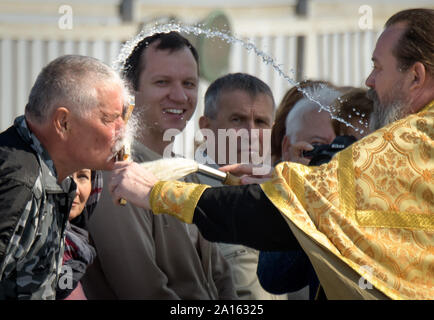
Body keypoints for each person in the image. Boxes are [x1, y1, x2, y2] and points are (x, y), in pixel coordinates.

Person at [107, 8, 434, 300]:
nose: (369, 81)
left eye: (378, 67)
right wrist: (295, 183)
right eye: (162, 81)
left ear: (416, 76)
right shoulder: (118, 173)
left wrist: (157, 193)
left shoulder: (411, 143)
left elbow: (269, 226)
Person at [82, 32, 237, 300]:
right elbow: (143, 291)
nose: (179, 96)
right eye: (162, 82)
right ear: (129, 90)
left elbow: (220, 278)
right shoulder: (116, 174)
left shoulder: (186, 172)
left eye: (188, 83)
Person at [0, 54, 128, 299]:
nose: (123, 130)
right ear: (63, 122)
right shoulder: (18, 183)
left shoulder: (57, 177)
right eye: (109, 119)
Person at [196, 72, 286, 300]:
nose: (251, 135)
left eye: (261, 123)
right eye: (237, 120)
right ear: (206, 127)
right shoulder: (186, 197)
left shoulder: (285, 195)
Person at [257, 82, 341, 300]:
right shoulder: (283, 194)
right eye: (316, 147)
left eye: (339, 148)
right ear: (287, 149)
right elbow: (273, 276)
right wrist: (302, 191)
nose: (328, 161)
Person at [56, 169, 102, 300]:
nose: (75, 190)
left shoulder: (77, 246)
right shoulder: (33, 243)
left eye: (82, 176)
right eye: (64, 175)